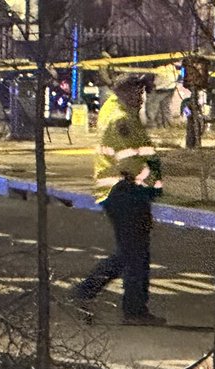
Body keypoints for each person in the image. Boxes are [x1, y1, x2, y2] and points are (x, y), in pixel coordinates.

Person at [71, 72, 165, 326]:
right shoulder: (121, 120)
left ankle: (87, 291)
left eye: (143, 92)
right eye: (137, 91)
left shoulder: (121, 114)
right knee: (135, 254)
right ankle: (133, 310)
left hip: (122, 191)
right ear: (125, 92)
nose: (142, 97)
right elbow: (129, 162)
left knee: (129, 252)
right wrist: (150, 181)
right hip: (124, 191)